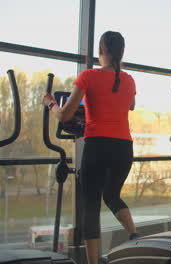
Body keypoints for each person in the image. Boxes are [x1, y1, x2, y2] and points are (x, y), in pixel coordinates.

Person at [42, 31, 138, 264]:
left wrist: (50, 103)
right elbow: (131, 105)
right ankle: (135, 236)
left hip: (98, 145)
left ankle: (93, 262)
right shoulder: (129, 79)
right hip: (124, 148)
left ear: (100, 51)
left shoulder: (88, 76)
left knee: (91, 204)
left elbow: (65, 115)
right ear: (122, 52)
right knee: (112, 195)